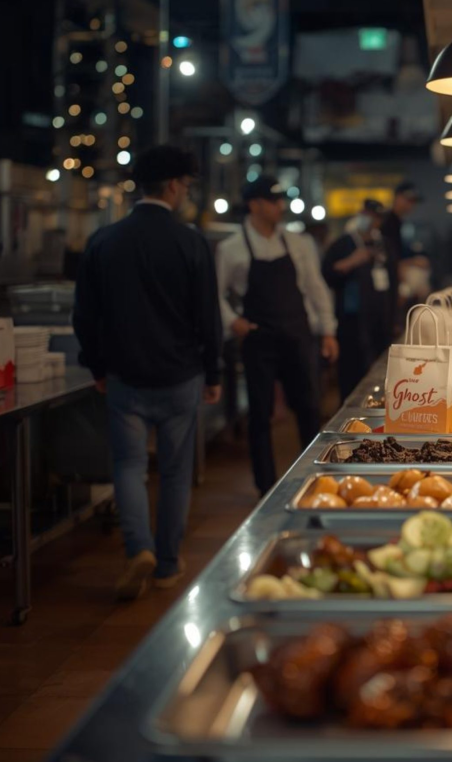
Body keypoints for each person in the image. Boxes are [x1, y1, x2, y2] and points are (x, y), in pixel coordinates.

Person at [73, 145, 223, 600]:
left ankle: (138, 547)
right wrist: (213, 373)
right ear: (174, 185)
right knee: (176, 473)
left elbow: (84, 316)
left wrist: (99, 366)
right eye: (187, 185)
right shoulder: (191, 241)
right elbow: (207, 317)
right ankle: (168, 565)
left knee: (129, 466)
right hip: (180, 377)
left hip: (124, 376)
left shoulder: (104, 240)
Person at [216, 176, 339, 496]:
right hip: (259, 338)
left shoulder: (298, 243)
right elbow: (212, 294)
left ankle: (315, 477)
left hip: (297, 333)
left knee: (309, 407)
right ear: (255, 205)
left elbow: (315, 287)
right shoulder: (231, 248)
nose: (280, 206)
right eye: (274, 201)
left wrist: (328, 330)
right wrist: (233, 321)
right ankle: (265, 486)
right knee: (260, 413)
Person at [322, 199, 392, 400]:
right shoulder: (343, 244)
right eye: (370, 216)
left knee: (380, 370)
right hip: (351, 320)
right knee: (352, 371)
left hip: (379, 319)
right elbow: (326, 274)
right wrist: (352, 262)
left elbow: (393, 281)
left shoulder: (384, 244)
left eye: (377, 218)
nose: (373, 222)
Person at [379, 180, 423, 331]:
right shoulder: (387, 222)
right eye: (408, 200)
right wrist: (409, 264)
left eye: (413, 202)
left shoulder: (398, 222)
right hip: (386, 286)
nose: (410, 205)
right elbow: (388, 259)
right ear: (397, 197)